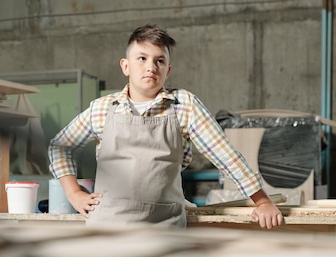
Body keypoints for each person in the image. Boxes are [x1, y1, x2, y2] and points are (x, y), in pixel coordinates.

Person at [48, 24, 284, 229]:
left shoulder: (184, 105)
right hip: (108, 227)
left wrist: (262, 201)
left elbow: (225, 155)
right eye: (142, 58)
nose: (151, 67)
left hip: (164, 227)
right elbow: (59, 147)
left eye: (159, 61)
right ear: (125, 66)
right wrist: (74, 193)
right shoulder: (102, 109)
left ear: (168, 70)